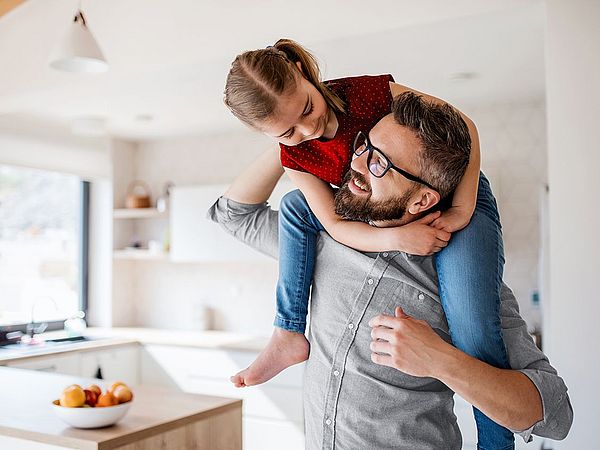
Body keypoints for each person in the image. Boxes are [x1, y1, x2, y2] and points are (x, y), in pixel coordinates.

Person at [208, 92, 573, 449]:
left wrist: (441, 361)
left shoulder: (466, 287)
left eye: (379, 164)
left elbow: (556, 415)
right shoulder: (320, 244)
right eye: (364, 146)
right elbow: (232, 215)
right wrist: (294, 129)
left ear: (423, 200)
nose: (357, 164)